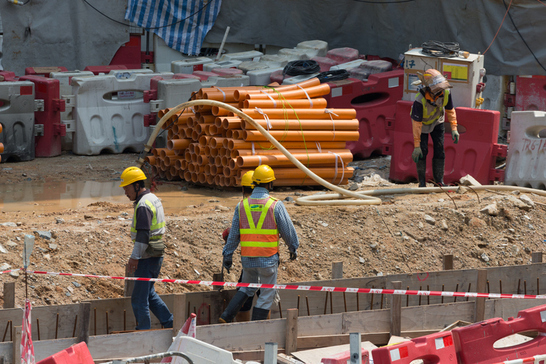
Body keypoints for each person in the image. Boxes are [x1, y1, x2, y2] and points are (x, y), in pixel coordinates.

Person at [219, 165, 299, 323]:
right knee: (266, 295)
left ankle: (227, 315)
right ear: (270, 184)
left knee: (246, 287)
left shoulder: (242, 206)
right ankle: (257, 327)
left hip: (248, 260)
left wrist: (227, 256)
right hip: (268, 259)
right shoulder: (275, 205)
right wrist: (293, 248)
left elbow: (234, 235)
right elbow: (288, 231)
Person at [120, 166, 173, 330]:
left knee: (138, 299)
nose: (125, 192)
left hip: (147, 256)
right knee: (148, 293)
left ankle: (144, 333)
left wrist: (134, 257)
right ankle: (169, 322)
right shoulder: (152, 197)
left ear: (136, 186)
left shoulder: (143, 205)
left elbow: (143, 235)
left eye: (127, 188)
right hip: (155, 253)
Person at [411, 68, 459, 187]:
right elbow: (416, 124)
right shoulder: (419, 100)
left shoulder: (446, 92)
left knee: (439, 150)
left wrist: (454, 128)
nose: (440, 91)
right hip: (422, 125)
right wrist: (417, 145)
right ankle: (422, 182)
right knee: (423, 151)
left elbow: (450, 110)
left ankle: (439, 181)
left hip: (438, 121)